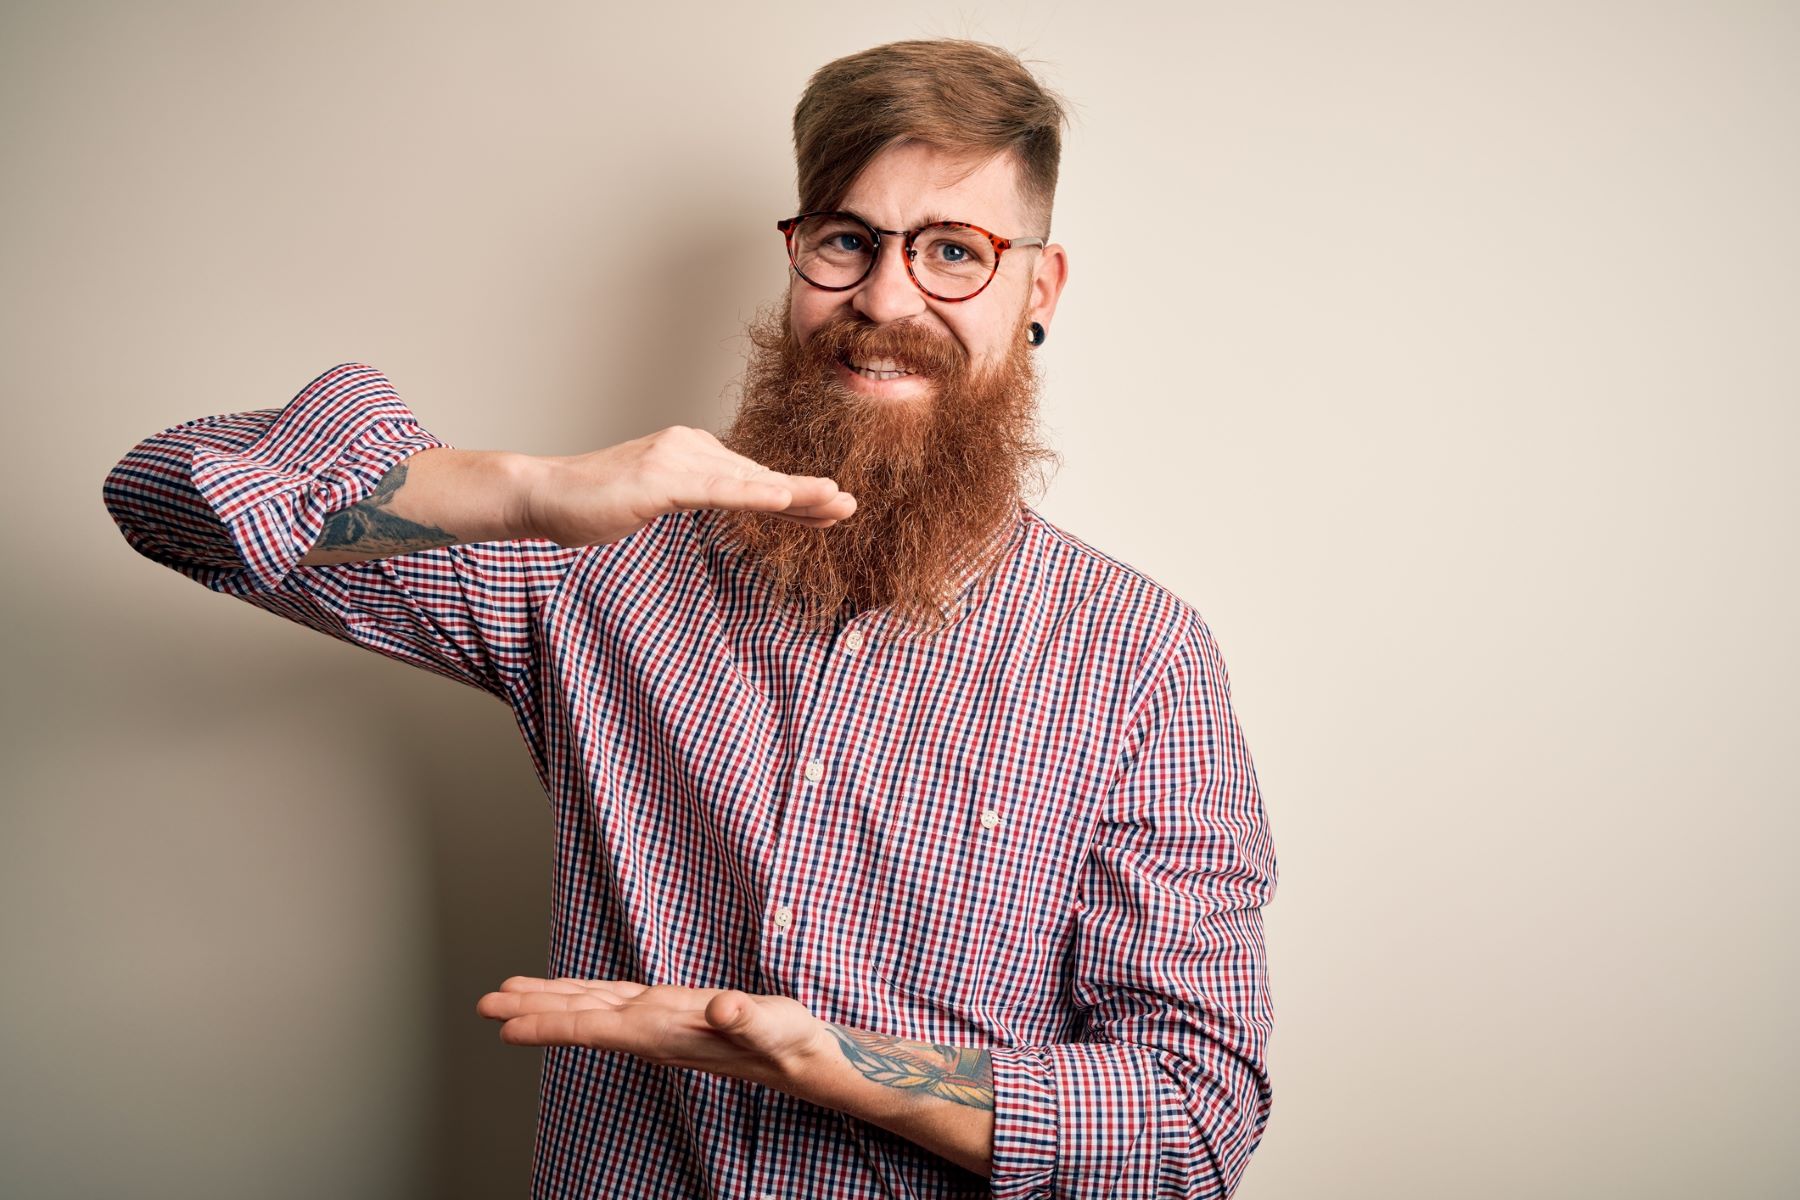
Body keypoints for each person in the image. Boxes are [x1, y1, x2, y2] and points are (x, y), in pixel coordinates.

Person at [102, 37, 1277, 1200]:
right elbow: (174, 497)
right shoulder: (598, 563)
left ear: (1040, 289)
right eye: (846, 240)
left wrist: (847, 1068)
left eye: (954, 252)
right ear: (798, 255)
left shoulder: (1142, 660)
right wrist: (522, 489)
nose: (884, 296)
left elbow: (1193, 1122)